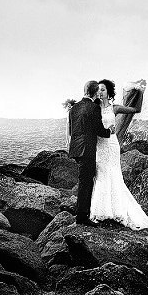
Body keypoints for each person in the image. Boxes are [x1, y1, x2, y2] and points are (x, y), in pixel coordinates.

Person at [89, 78, 148, 230]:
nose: (100, 92)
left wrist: (140, 93)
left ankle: (117, 210)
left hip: (112, 145)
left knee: (114, 174)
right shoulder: (93, 108)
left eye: (103, 89)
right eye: (98, 89)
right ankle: (101, 209)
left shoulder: (115, 108)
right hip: (99, 145)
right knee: (100, 174)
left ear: (108, 92)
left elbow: (136, 110)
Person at [66, 80, 111, 227]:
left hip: (76, 149)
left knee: (83, 181)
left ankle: (82, 212)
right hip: (87, 149)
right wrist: (109, 131)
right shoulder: (93, 107)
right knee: (86, 183)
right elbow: (99, 130)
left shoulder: (74, 108)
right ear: (95, 92)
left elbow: (72, 131)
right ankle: (82, 217)